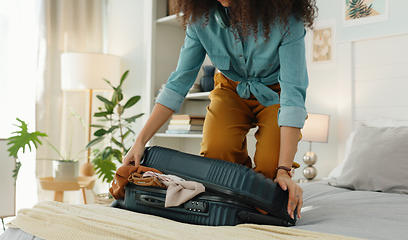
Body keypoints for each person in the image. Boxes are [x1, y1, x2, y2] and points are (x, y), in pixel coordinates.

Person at [123, 0, 317, 220]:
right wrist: (140, 141)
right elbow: (179, 82)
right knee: (217, 161)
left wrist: (284, 170)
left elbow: (293, 96)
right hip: (229, 88)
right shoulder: (200, 20)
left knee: (270, 182)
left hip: (277, 93)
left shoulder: (287, 19)